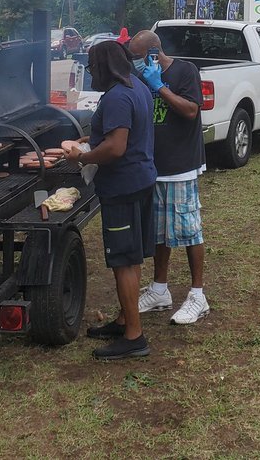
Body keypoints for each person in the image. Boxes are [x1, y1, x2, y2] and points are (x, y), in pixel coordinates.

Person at [62, 40, 157, 360]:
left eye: (92, 68)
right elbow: (124, 134)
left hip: (122, 188)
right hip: (142, 180)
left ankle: (134, 337)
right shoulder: (138, 87)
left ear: (104, 67)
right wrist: (92, 139)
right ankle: (124, 320)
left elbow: (116, 148)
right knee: (132, 258)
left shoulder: (117, 97)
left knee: (123, 261)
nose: (91, 74)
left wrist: (81, 157)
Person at [127, 30, 209, 326]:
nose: (133, 63)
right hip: (153, 167)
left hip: (180, 165)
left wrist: (159, 86)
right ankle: (160, 289)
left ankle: (198, 296)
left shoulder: (185, 71)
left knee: (189, 230)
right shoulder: (139, 77)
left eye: (136, 58)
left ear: (152, 54)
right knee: (160, 231)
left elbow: (190, 110)